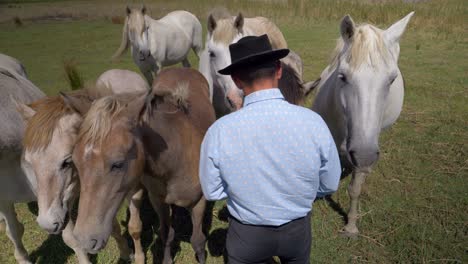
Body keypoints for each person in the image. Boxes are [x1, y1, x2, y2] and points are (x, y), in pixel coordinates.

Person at [199, 34, 341, 264]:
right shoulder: (313, 122)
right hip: (298, 230)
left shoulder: (219, 131)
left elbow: (212, 191)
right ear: (278, 70)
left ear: (235, 80)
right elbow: (330, 183)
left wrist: (245, 193)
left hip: (246, 235)